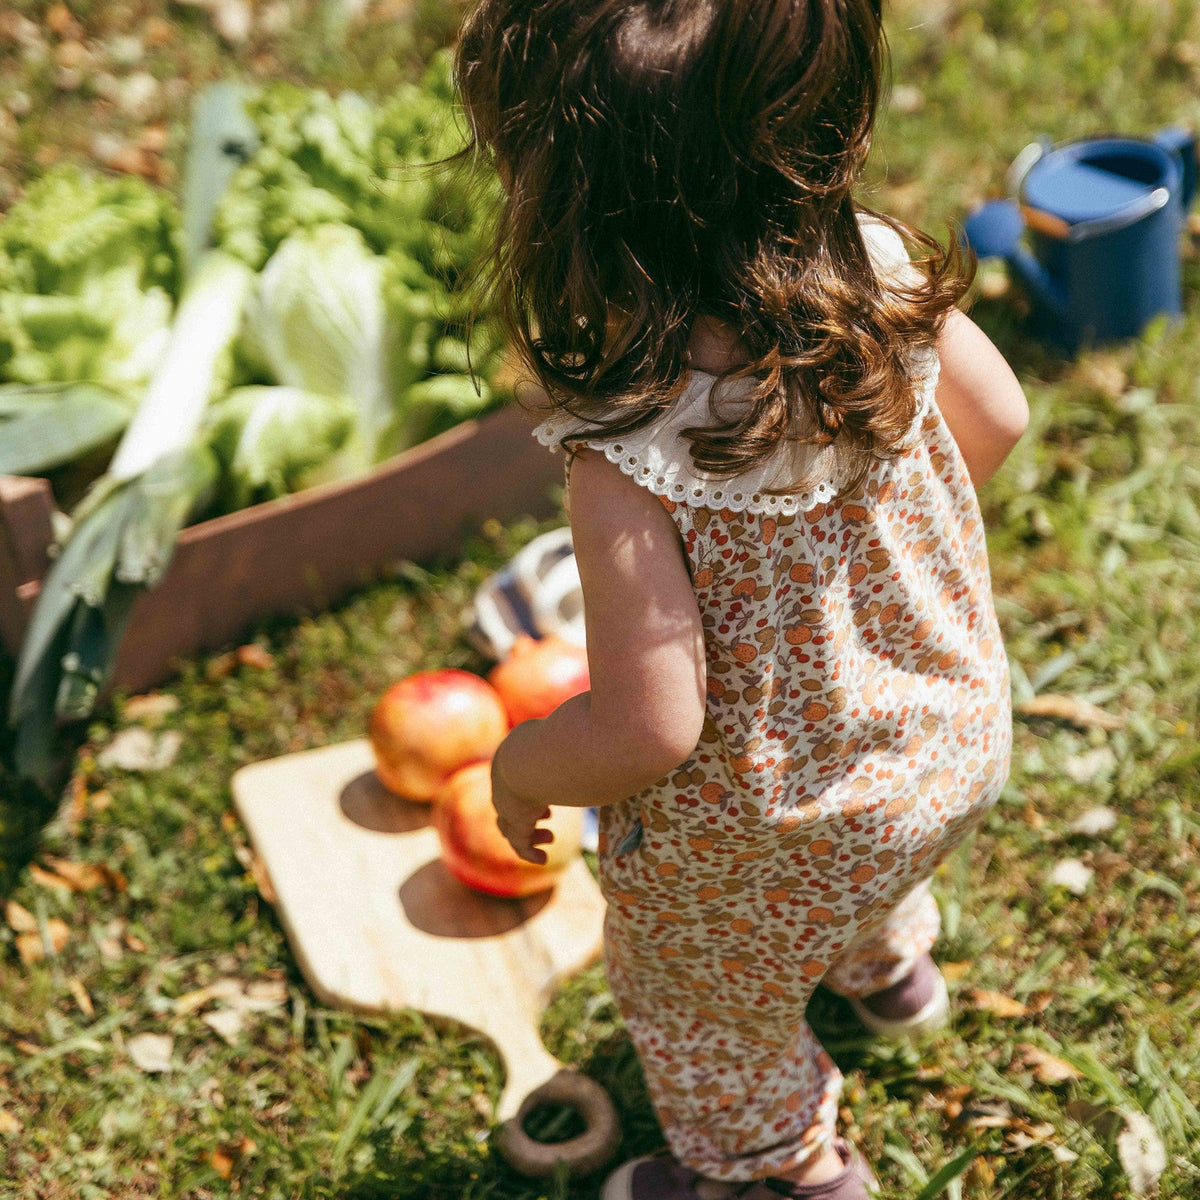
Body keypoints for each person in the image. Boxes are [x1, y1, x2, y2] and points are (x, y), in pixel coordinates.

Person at [455, 2, 1028, 1197]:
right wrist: (861, 561)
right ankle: (889, 975)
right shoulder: (879, 272)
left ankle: (774, 1167)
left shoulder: (629, 452)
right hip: (946, 740)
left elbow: (650, 727)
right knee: (858, 855)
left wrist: (522, 764)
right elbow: (1002, 417)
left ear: (568, 208)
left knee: (701, 992)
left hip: (768, 832)